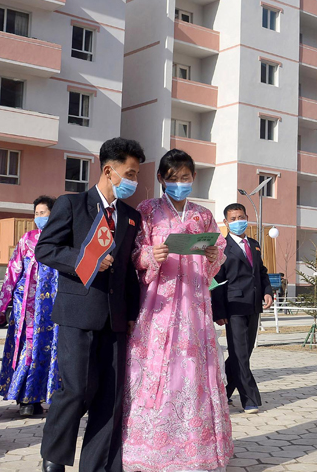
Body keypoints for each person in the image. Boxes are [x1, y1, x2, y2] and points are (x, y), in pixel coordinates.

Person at [37, 138, 143, 472]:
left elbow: (127, 271)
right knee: (77, 389)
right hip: (78, 313)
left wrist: (131, 314)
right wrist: (85, 259)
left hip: (115, 318)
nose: (133, 180)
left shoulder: (130, 216)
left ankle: (98, 466)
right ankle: (54, 456)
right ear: (109, 171)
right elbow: (46, 249)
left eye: (136, 174)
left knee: (110, 398)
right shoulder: (71, 205)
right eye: (130, 173)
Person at [122, 149, 232, 472]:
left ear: (194, 178)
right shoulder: (147, 211)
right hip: (159, 305)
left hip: (195, 305)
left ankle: (197, 449)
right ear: (161, 179)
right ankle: (150, 446)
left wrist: (212, 253)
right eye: (173, 178)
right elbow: (136, 254)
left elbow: (217, 259)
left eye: (185, 178)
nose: (180, 183)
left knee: (194, 372)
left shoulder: (202, 215)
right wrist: (150, 254)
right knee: (157, 371)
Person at [0, 195, 60, 417]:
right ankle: (25, 397)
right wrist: (3, 303)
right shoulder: (27, 239)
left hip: (52, 307)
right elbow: (13, 270)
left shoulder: (63, 239)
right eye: (36, 213)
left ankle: (43, 396)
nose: (39, 217)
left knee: (49, 349)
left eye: (43, 213)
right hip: (27, 307)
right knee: (28, 349)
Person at [211, 203, 274, 414]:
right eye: (234, 218)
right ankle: (250, 399)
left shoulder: (254, 244)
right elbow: (216, 281)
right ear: (226, 223)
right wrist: (219, 312)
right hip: (233, 307)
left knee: (244, 352)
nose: (239, 221)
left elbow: (262, 272)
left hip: (254, 304)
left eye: (241, 217)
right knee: (240, 354)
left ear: (247, 217)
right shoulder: (221, 247)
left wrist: (268, 291)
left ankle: (223, 391)